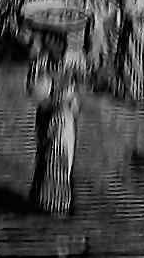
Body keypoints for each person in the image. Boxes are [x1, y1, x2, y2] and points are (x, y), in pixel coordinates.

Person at [29, 27, 84, 215]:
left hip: (66, 118)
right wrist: (52, 91)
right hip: (48, 117)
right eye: (50, 42)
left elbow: (83, 83)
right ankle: (44, 201)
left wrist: (73, 82)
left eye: (59, 42)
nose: (56, 47)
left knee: (63, 157)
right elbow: (36, 94)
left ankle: (61, 202)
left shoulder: (73, 60)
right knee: (47, 156)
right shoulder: (40, 63)